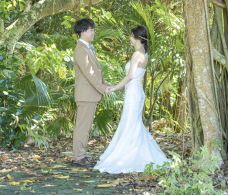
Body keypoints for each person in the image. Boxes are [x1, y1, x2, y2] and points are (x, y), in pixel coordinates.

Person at [94, 25, 170, 174]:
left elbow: (130, 76)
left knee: (130, 124)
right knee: (132, 124)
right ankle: (135, 153)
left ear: (137, 38)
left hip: (133, 92)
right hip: (136, 92)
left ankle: (128, 156)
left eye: (130, 36)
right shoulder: (144, 54)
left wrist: (115, 87)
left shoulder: (137, 54)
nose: (129, 38)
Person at [72, 17, 112, 167]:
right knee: (83, 127)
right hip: (86, 95)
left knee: (85, 127)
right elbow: (89, 75)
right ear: (83, 31)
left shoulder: (86, 48)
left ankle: (80, 155)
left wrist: (109, 86)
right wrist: (103, 88)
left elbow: (96, 74)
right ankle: (78, 157)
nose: (93, 33)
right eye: (91, 30)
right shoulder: (81, 50)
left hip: (90, 95)